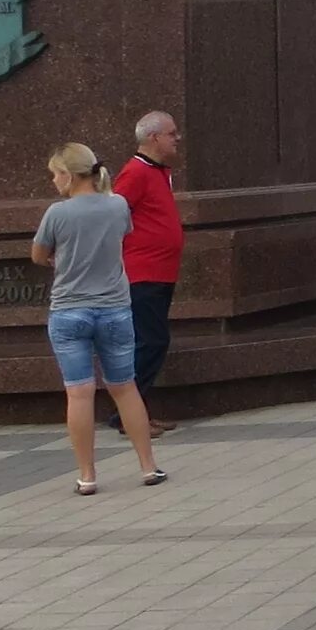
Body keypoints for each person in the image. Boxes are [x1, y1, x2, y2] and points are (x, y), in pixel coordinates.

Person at [29, 144, 164, 496]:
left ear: (71, 176)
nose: (54, 180)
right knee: (125, 387)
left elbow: (38, 254)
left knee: (79, 393)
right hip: (115, 308)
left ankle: (87, 476)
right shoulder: (118, 205)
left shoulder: (57, 214)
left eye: (56, 174)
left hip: (69, 310)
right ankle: (148, 467)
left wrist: (59, 263)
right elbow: (122, 237)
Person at [113, 111, 185, 431]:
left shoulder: (159, 172)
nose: (177, 138)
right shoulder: (135, 173)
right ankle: (128, 417)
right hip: (142, 273)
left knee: (150, 341)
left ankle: (137, 413)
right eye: (171, 133)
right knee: (151, 342)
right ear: (153, 138)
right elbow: (114, 214)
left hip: (160, 271)